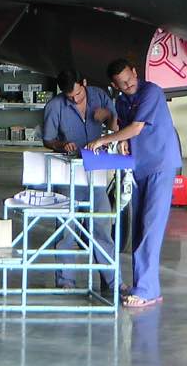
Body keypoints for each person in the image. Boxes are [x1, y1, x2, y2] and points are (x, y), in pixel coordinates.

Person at [87, 58, 183, 308]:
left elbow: (137, 127)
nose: (128, 85)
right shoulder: (121, 101)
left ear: (135, 72)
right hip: (139, 168)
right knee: (139, 227)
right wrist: (121, 140)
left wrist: (104, 140)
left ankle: (146, 289)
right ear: (114, 85)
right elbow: (125, 129)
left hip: (160, 164)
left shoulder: (152, 92)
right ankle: (147, 286)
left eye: (130, 79)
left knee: (151, 225)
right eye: (122, 83)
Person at [41, 69, 119, 292]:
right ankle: (65, 280)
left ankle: (111, 281)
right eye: (70, 97)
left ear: (84, 83)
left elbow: (116, 127)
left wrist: (108, 116)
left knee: (102, 225)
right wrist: (61, 145)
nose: (75, 100)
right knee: (66, 228)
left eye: (78, 94)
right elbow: (48, 139)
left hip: (96, 171)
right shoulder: (55, 106)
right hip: (69, 174)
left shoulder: (100, 96)